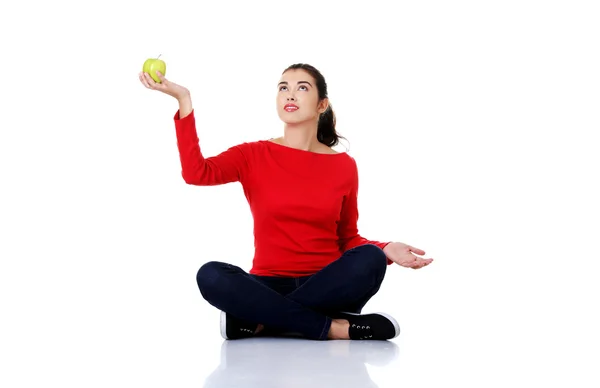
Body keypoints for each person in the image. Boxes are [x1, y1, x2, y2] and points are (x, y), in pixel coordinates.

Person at [139, 63, 434, 341]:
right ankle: (333, 328)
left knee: (370, 258)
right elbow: (196, 173)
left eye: (302, 88)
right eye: (283, 87)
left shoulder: (344, 166)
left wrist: (386, 248)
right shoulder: (252, 155)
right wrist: (184, 100)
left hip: (326, 284)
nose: (290, 94)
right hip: (265, 284)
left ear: (322, 104)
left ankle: (259, 321)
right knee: (211, 275)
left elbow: (347, 237)